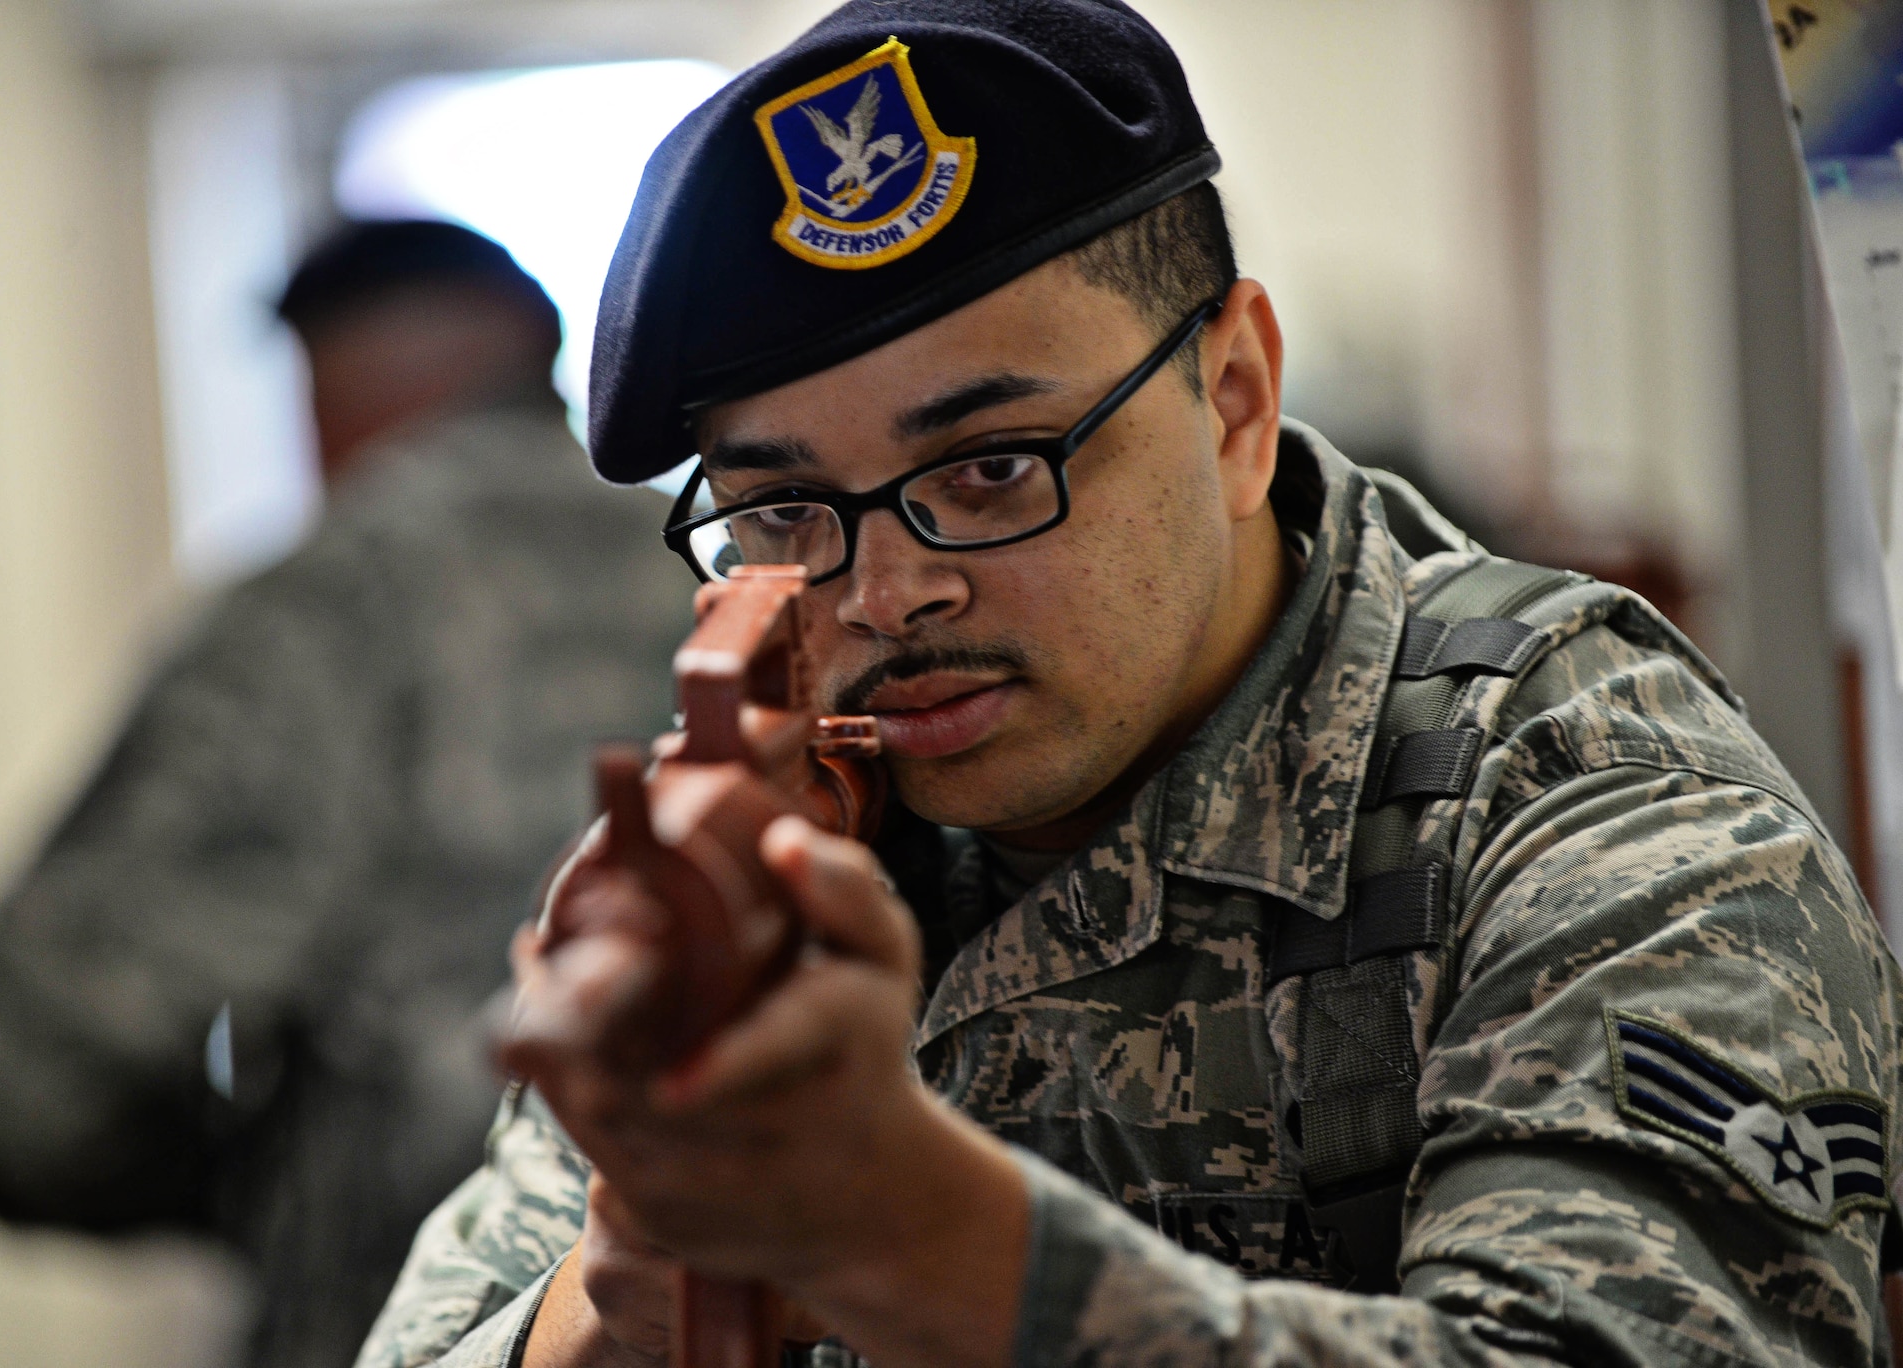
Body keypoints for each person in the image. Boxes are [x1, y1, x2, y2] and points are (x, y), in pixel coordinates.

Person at [357, 6, 1903, 1367]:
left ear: (1233, 400)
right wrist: (607, 1315)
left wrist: (917, 1240)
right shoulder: (764, 836)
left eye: (990, 468)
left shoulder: (1582, 801)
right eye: (782, 511)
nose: (886, 595)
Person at [0, 220, 698, 1368]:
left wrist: (255, 1194)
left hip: (395, 1321)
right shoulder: (731, 568)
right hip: (741, 1302)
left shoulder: (324, 610)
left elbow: (31, 1080)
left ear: (331, 390)